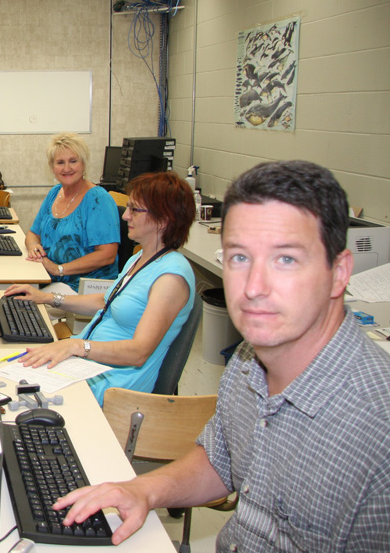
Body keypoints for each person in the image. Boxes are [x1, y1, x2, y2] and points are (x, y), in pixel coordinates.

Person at [58, 161, 390, 551]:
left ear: (339, 272)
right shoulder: (249, 361)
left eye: (286, 259)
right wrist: (144, 490)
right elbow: (219, 460)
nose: (253, 287)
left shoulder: (376, 423)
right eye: (239, 258)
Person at [7, 171, 195, 404]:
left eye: (135, 210)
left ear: (164, 219)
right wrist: (46, 298)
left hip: (115, 386)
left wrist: (78, 346)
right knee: (14, 375)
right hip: (88, 366)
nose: (126, 216)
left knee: (17, 396)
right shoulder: (141, 259)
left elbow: (138, 353)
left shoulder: (171, 277)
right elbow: (105, 302)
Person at [24, 132, 119, 292]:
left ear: (83, 164)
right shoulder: (55, 193)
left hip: (84, 287)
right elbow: (33, 233)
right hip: (50, 279)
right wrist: (34, 247)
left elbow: (107, 254)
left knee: (22, 305)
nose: (67, 168)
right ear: (52, 167)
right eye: (60, 162)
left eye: (73, 161)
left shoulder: (98, 199)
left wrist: (58, 269)